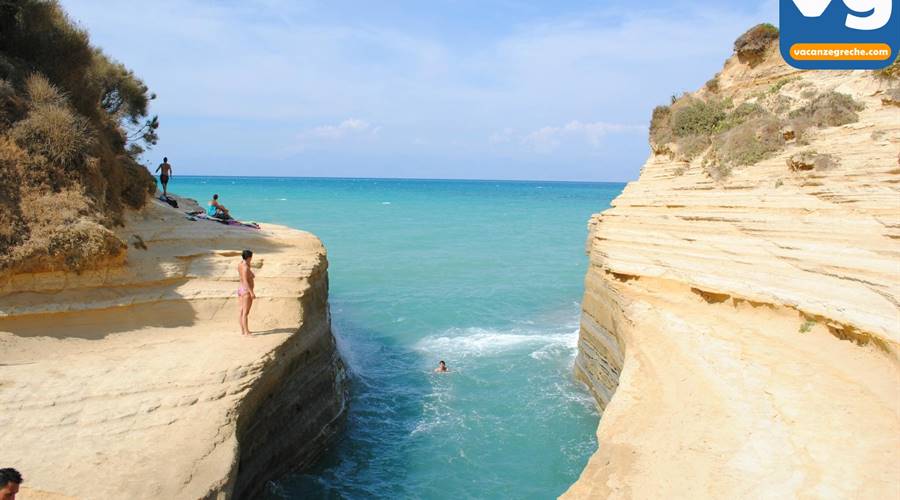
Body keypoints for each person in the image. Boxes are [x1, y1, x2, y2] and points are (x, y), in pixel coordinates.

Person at [237, 249, 255, 336]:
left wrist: (251, 274)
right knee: (245, 313)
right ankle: (247, 332)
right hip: (246, 291)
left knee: (241, 311)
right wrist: (251, 292)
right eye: (251, 257)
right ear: (249, 257)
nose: (252, 259)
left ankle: (243, 331)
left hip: (240, 289)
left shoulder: (241, 264)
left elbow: (244, 275)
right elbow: (245, 280)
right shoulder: (245, 267)